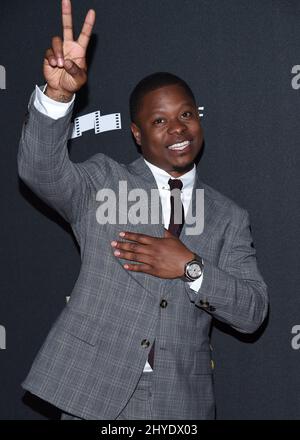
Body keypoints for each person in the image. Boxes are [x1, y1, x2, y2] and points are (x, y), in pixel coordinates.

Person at [18, 0, 268, 420]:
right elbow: (39, 170)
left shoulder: (227, 215)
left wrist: (192, 267)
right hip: (93, 395)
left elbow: (252, 311)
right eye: (159, 121)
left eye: (186, 115)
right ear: (136, 133)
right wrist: (58, 96)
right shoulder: (102, 182)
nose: (177, 129)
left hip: (181, 403)